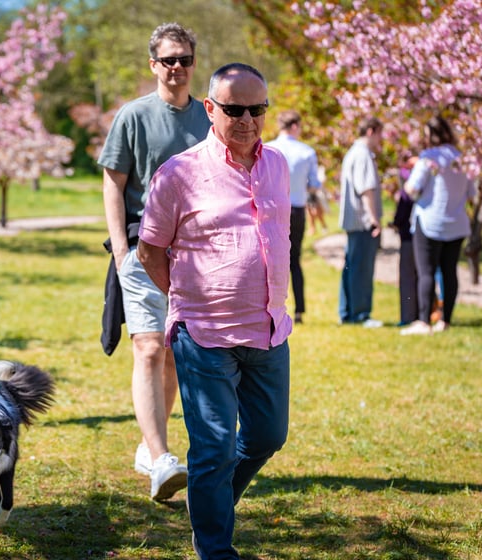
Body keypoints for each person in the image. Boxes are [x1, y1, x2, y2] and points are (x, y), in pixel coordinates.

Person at [138, 63, 292, 559]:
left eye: (257, 108)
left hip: (268, 331)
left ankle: (214, 501)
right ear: (210, 108)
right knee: (215, 448)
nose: (247, 118)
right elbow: (149, 250)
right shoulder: (178, 173)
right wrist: (187, 297)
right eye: (233, 109)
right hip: (204, 336)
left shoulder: (279, 166)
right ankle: (215, 548)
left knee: (268, 436)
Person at [97, 22, 211, 501]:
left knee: (172, 355)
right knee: (147, 347)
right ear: (154, 65)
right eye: (168, 60)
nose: (177, 68)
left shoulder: (209, 117)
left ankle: (150, 443)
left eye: (184, 59)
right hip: (143, 247)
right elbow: (113, 183)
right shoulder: (134, 116)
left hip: (197, 255)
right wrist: (121, 252)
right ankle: (162, 459)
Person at [400, 115, 476, 335]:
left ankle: (424, 321)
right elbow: (471, 192)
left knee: (426, 272)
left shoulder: (428, 158)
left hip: (430, 221)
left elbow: (412, 188)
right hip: (457, 223)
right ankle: (446, 320)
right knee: (450, 271)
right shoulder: (462, 159)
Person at [266, 110, 321, 324]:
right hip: (296, 208)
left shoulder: (268, 147)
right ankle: (298, 310)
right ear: (295, 126)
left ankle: (271, 307)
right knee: (295, 260)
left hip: (271, 208)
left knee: (270, 260)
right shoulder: (306, 152)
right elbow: (314, 185)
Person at [337, 116, 384, 327]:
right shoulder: (363, 155)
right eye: (380, 134)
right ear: (371, 131)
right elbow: (366, 190)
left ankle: (347, 312)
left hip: (352, 221)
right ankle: (360, 314)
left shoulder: (353, 153)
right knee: (362, 269)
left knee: (351, 267)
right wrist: (374, 220)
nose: (381, 139)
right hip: (362, 221)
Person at [390, 153, 418, 326]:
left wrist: (396, 223)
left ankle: (408, 317)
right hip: (426, 237)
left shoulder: (409, 185)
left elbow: (402, 211)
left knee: (408, 277)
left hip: (409, 236)